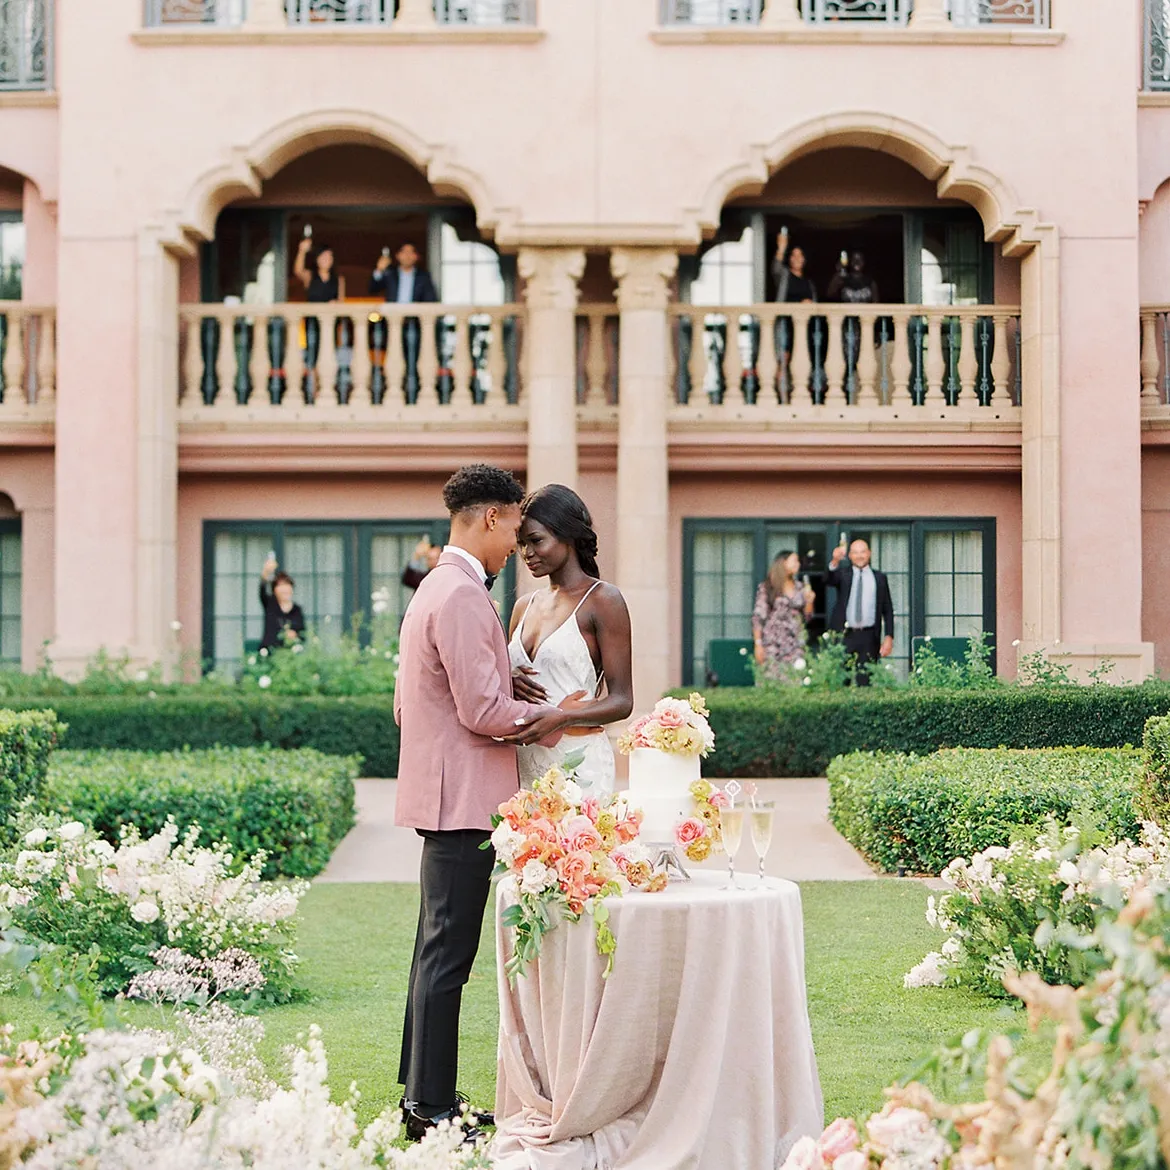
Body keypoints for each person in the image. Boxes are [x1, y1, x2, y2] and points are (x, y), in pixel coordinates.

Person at [393, 463, 592, 1144]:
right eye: (513, 526)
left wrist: (507, 681)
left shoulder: (438, 587)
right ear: (489, 517)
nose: (517, 544)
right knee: (448, 956)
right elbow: (479, 710)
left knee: (435, 951)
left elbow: (415, 702)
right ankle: (432, 1112)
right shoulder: (459, 595)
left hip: (448, 795)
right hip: (463, 804)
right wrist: (552, 719)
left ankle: (423, 1101)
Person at [508, 484, 633, 795]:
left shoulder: (604, 600)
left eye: (536, 541)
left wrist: (562, 718)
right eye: (521, 544)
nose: (527, 553)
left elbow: (622, 701)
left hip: (579, 766)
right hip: (522, 764)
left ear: (569, 536)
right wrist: (507, 683)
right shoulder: (524, 605)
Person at [825, 538, 894, 685]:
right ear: (850, 555)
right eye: (855, 552)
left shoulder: (879, 578)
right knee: (842, 680)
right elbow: (827, 580)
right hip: (845, 634)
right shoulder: (843, 574)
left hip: (869, 636)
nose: (859, 556)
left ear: (869, 553)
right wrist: (835, 561)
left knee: (866, 680)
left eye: (863, 552)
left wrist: (889, 636)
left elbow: (887, 609)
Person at [752, 550, 815, 680]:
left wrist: (809, 601)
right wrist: (758, 644)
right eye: (794, 561)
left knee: (795, 680)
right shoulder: (767, 587)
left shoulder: (800, 587)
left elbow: (807, 617)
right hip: (773, 643)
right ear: (783, 563)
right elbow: (758, 617)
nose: (798, 564)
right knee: (771, 680)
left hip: (795, 642)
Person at [772, 229, 818, 401]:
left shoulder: (809, 283)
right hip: (786, 325)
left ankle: (799, 396)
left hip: (803, 329)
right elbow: (776, 268)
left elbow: (815, 307)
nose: (797, 258)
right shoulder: (785, 276)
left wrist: (809, 305)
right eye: (793, 255)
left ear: (805, 260)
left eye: (800, 256)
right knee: (783, 360)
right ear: (789, 259)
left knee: (801, 361)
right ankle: (783, 398)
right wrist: (781, 247)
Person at [258, 556, 305, 651]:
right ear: (274, 590)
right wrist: (266, 572)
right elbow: (262, 590)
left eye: (287, 585)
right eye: (280, 586)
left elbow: (303, 634)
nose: (284, 589)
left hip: (289, 655)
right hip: (269, 652)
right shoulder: (270, 604)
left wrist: (294, 635)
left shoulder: (297, 610)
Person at [368, 242, 439, 304]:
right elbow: (373, 289)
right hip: (392, 316)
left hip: (414, 316)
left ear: (417, 256)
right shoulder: (390, 274)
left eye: (411, 252)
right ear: (397, 255)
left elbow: (431, 299)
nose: (407, 256)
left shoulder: (423, 276)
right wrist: (379, 270)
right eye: (404, 252)